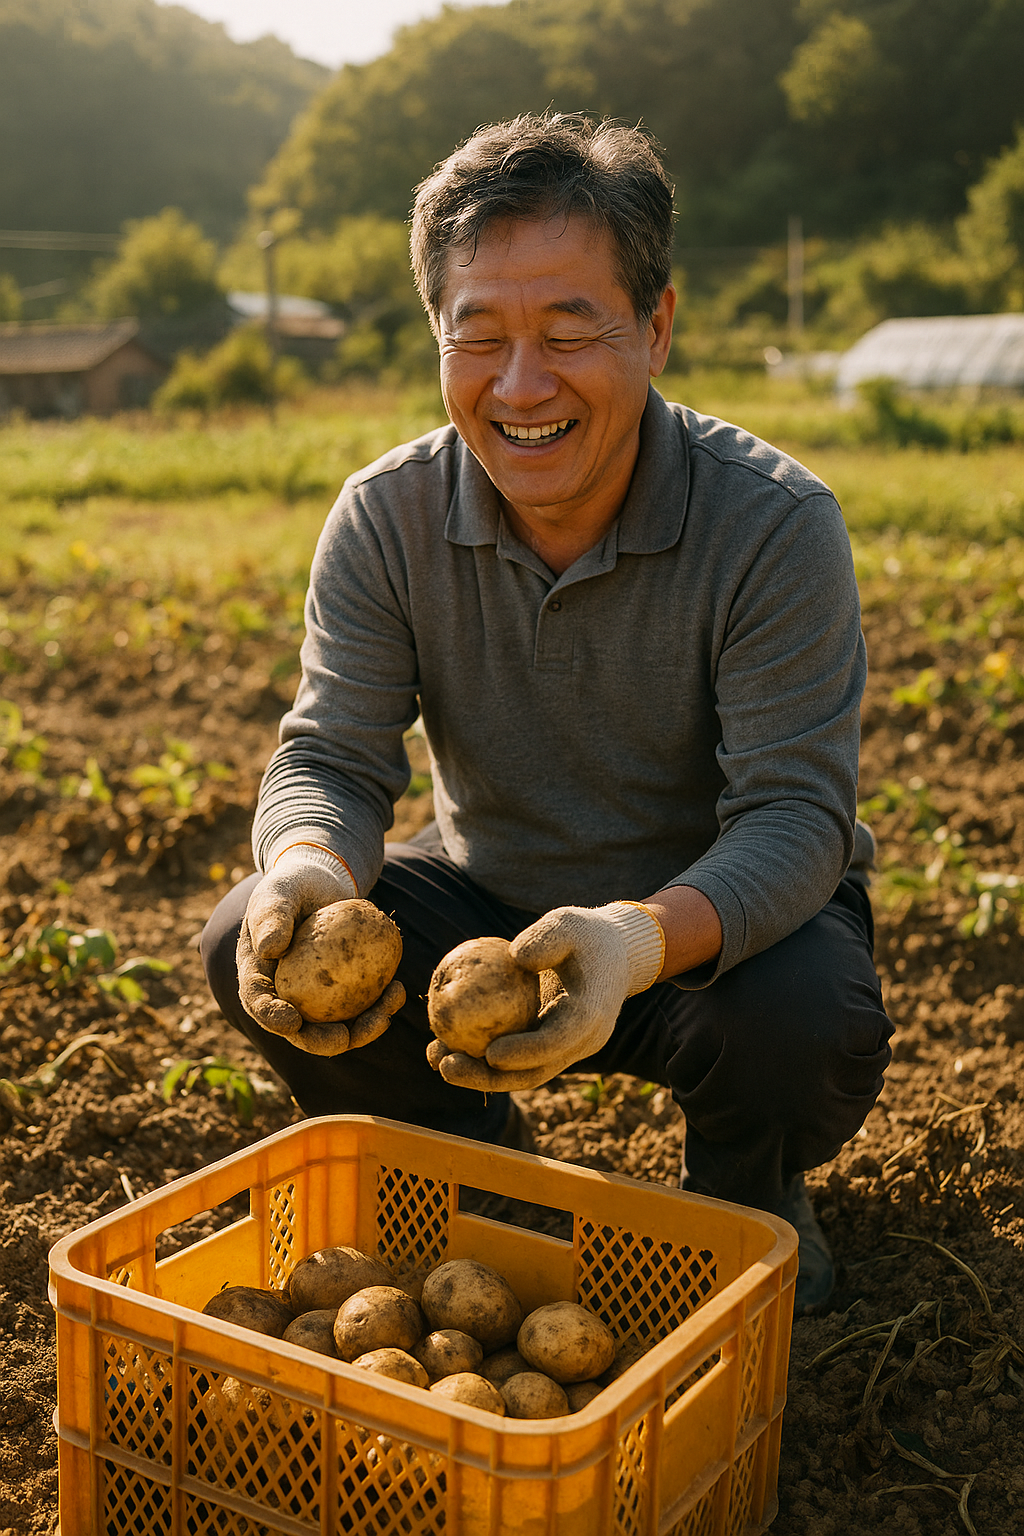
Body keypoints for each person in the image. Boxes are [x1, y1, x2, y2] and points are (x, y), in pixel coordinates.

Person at [202, 113, 891, 1310]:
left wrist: (629, 943)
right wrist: (306, 864)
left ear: (657, 326)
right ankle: (478, 1173)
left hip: (697, 943)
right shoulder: (387, 517)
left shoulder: (772, 524)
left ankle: (746, 1192)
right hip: (483, 908)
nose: (522, 387)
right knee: (245, 937)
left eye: (571, 333)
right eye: (479, 338)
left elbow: (794, 818)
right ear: (437, 339)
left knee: (804, 1016)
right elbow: (331, 755)